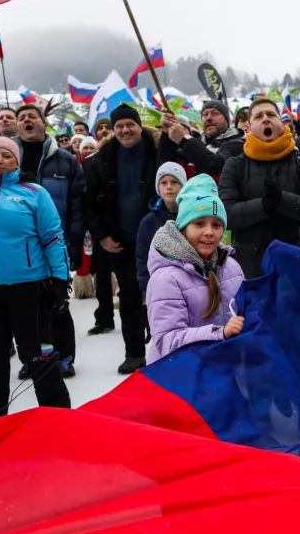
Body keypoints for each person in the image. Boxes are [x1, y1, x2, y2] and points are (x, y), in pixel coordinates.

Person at [0, 103, 84, 377]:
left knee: (50, 328)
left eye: (6, 155)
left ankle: (61, 366)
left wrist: (61, 273)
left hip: (33, 270)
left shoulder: (59, 164)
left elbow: (75, 207)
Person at [0, 137, 71, 419]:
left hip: (27, 288)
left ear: (17, 161)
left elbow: (53, 238)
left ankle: (58, 416)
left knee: (38, 354)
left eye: (6, 156)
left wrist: (60, 281)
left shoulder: (34, 193)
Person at [83, 104, 157, 374]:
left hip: (160, 239)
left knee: (167, 297)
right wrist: (102, 236)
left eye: (130, 124)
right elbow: (89, 204)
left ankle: (168, 350)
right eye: (119, 126)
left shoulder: (158, 152)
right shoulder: (100, 160)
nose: (125, 130)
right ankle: (134, 354)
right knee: (128, 299)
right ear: (113, 131)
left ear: (139, 125)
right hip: (122, 242)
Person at [219, 98, 300, 277]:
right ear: (249, 128)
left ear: (282, 123)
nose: (265, 119)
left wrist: (283, 201)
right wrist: (262, 206)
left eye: (271, 114)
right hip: (250, 268)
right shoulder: (235, 165)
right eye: (258, 116)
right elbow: (225, 214)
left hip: (297, 264)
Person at [146, 174, 244, 364]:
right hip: (181, 378)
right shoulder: (166, 278)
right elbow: (167, 341)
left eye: (216, 225)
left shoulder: (231, 266)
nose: (209, 231)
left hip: (224, 371)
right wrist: (219, 334)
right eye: (199, 223)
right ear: (183, 228)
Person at [158, 99, 245, 178]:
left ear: (227, 121)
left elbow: (216, 166)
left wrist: (184, 138)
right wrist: (168, 130)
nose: (209, 118)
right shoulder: (197, 143)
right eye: (205, 114)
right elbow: (169, 162)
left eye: (215, 113)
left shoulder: (238, 142)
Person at [136, 162, 186, 294]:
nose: (169, 187)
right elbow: (142, 255)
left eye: (174, 182)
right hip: (160, 286)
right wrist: (146, 285)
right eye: (164, 182)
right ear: (158, 187)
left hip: (190, 283)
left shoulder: (192, 218)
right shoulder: (148, 222)